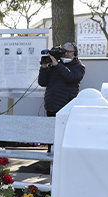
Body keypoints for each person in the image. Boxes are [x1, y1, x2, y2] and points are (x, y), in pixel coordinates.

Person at [37, 42, 85, 170]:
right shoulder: (55, 65)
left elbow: (71, 78)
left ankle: (66, 161)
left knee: (65, 135)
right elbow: (42, 82)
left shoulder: (79, 67)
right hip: (51, 105)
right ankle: (49, 161)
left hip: (66, 106)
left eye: (69, 51)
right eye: (65, 51)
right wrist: (44, 66)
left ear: (75, 55)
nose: (66, 53)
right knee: (51, 134)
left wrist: (57, 65)